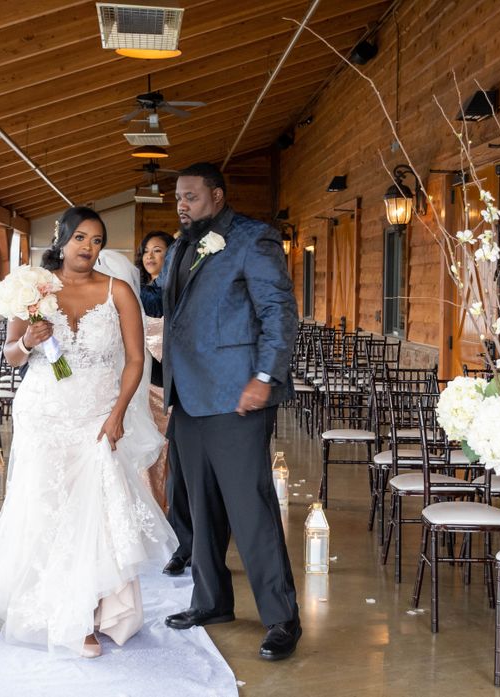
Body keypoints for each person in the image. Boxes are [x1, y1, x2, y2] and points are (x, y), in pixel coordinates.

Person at [0, 206, 176, 658]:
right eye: (81, 239)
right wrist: (28, 341)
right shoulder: (35, 288)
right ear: (63, 239)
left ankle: (92, 610)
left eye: (96, 241)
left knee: (93, 511)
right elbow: (11, 356)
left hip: (95, 415)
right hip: (44, 412)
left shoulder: (117, 292)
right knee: (47, 507)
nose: (88, 248)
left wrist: (116, 415)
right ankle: (61, 612)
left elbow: (136, 360)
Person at [151, 162, 301, 661]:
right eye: (178, 197)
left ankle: (282, 618)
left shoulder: (252, 240)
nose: (182, 204)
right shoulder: (178, 246)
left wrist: (263, 378)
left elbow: (278, 313)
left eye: (191, 196)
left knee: (250, 508)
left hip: (238, 395)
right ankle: (211, 601)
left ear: (216, 196)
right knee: (199, 507)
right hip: (188, 397)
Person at [136, 230, 194, 575]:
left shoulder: (179, 293)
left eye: (158, 250)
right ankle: (152, 518)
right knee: (149, 456)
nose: (150, 256)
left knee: (174, 458)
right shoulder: (138, 295)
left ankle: (177, 522)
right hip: (146, 385)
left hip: (173, 386)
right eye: (146, 251)